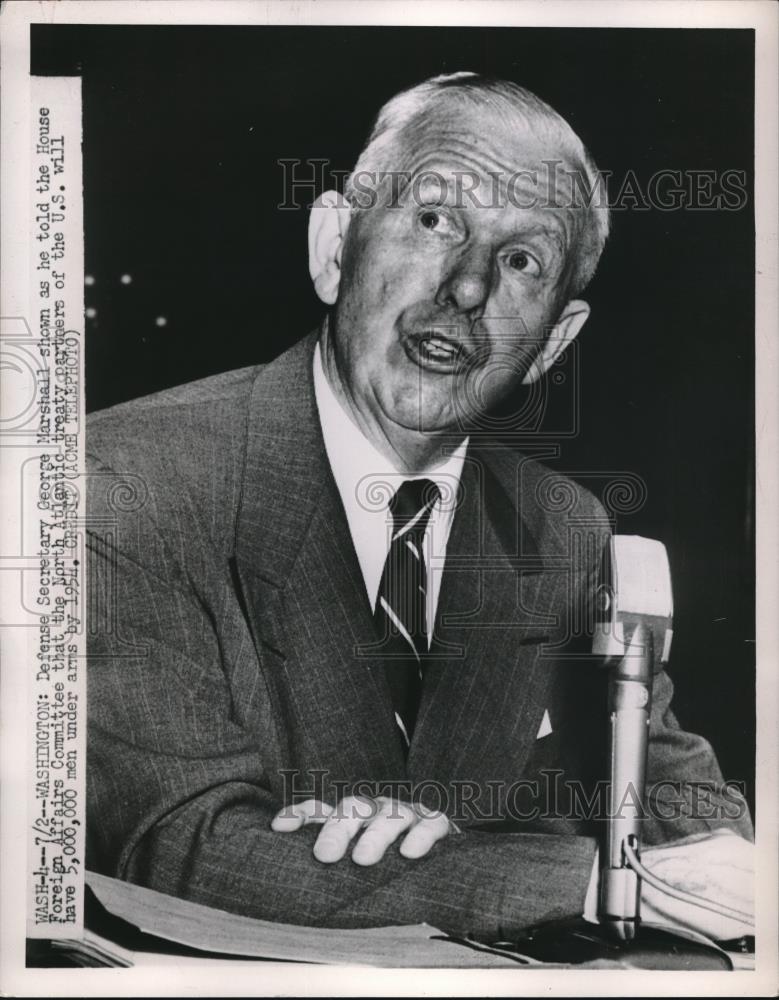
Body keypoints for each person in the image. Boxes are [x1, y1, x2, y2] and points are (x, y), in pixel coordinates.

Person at [86, 72, 753, 943]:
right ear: (334, 247)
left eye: (521, 261)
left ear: (553, 341)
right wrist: (593, 879)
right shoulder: (122, 484)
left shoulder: (562, 530)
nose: (467, 289)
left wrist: (697, 851)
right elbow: (173, 841)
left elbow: (681, 802)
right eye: (435, 219)